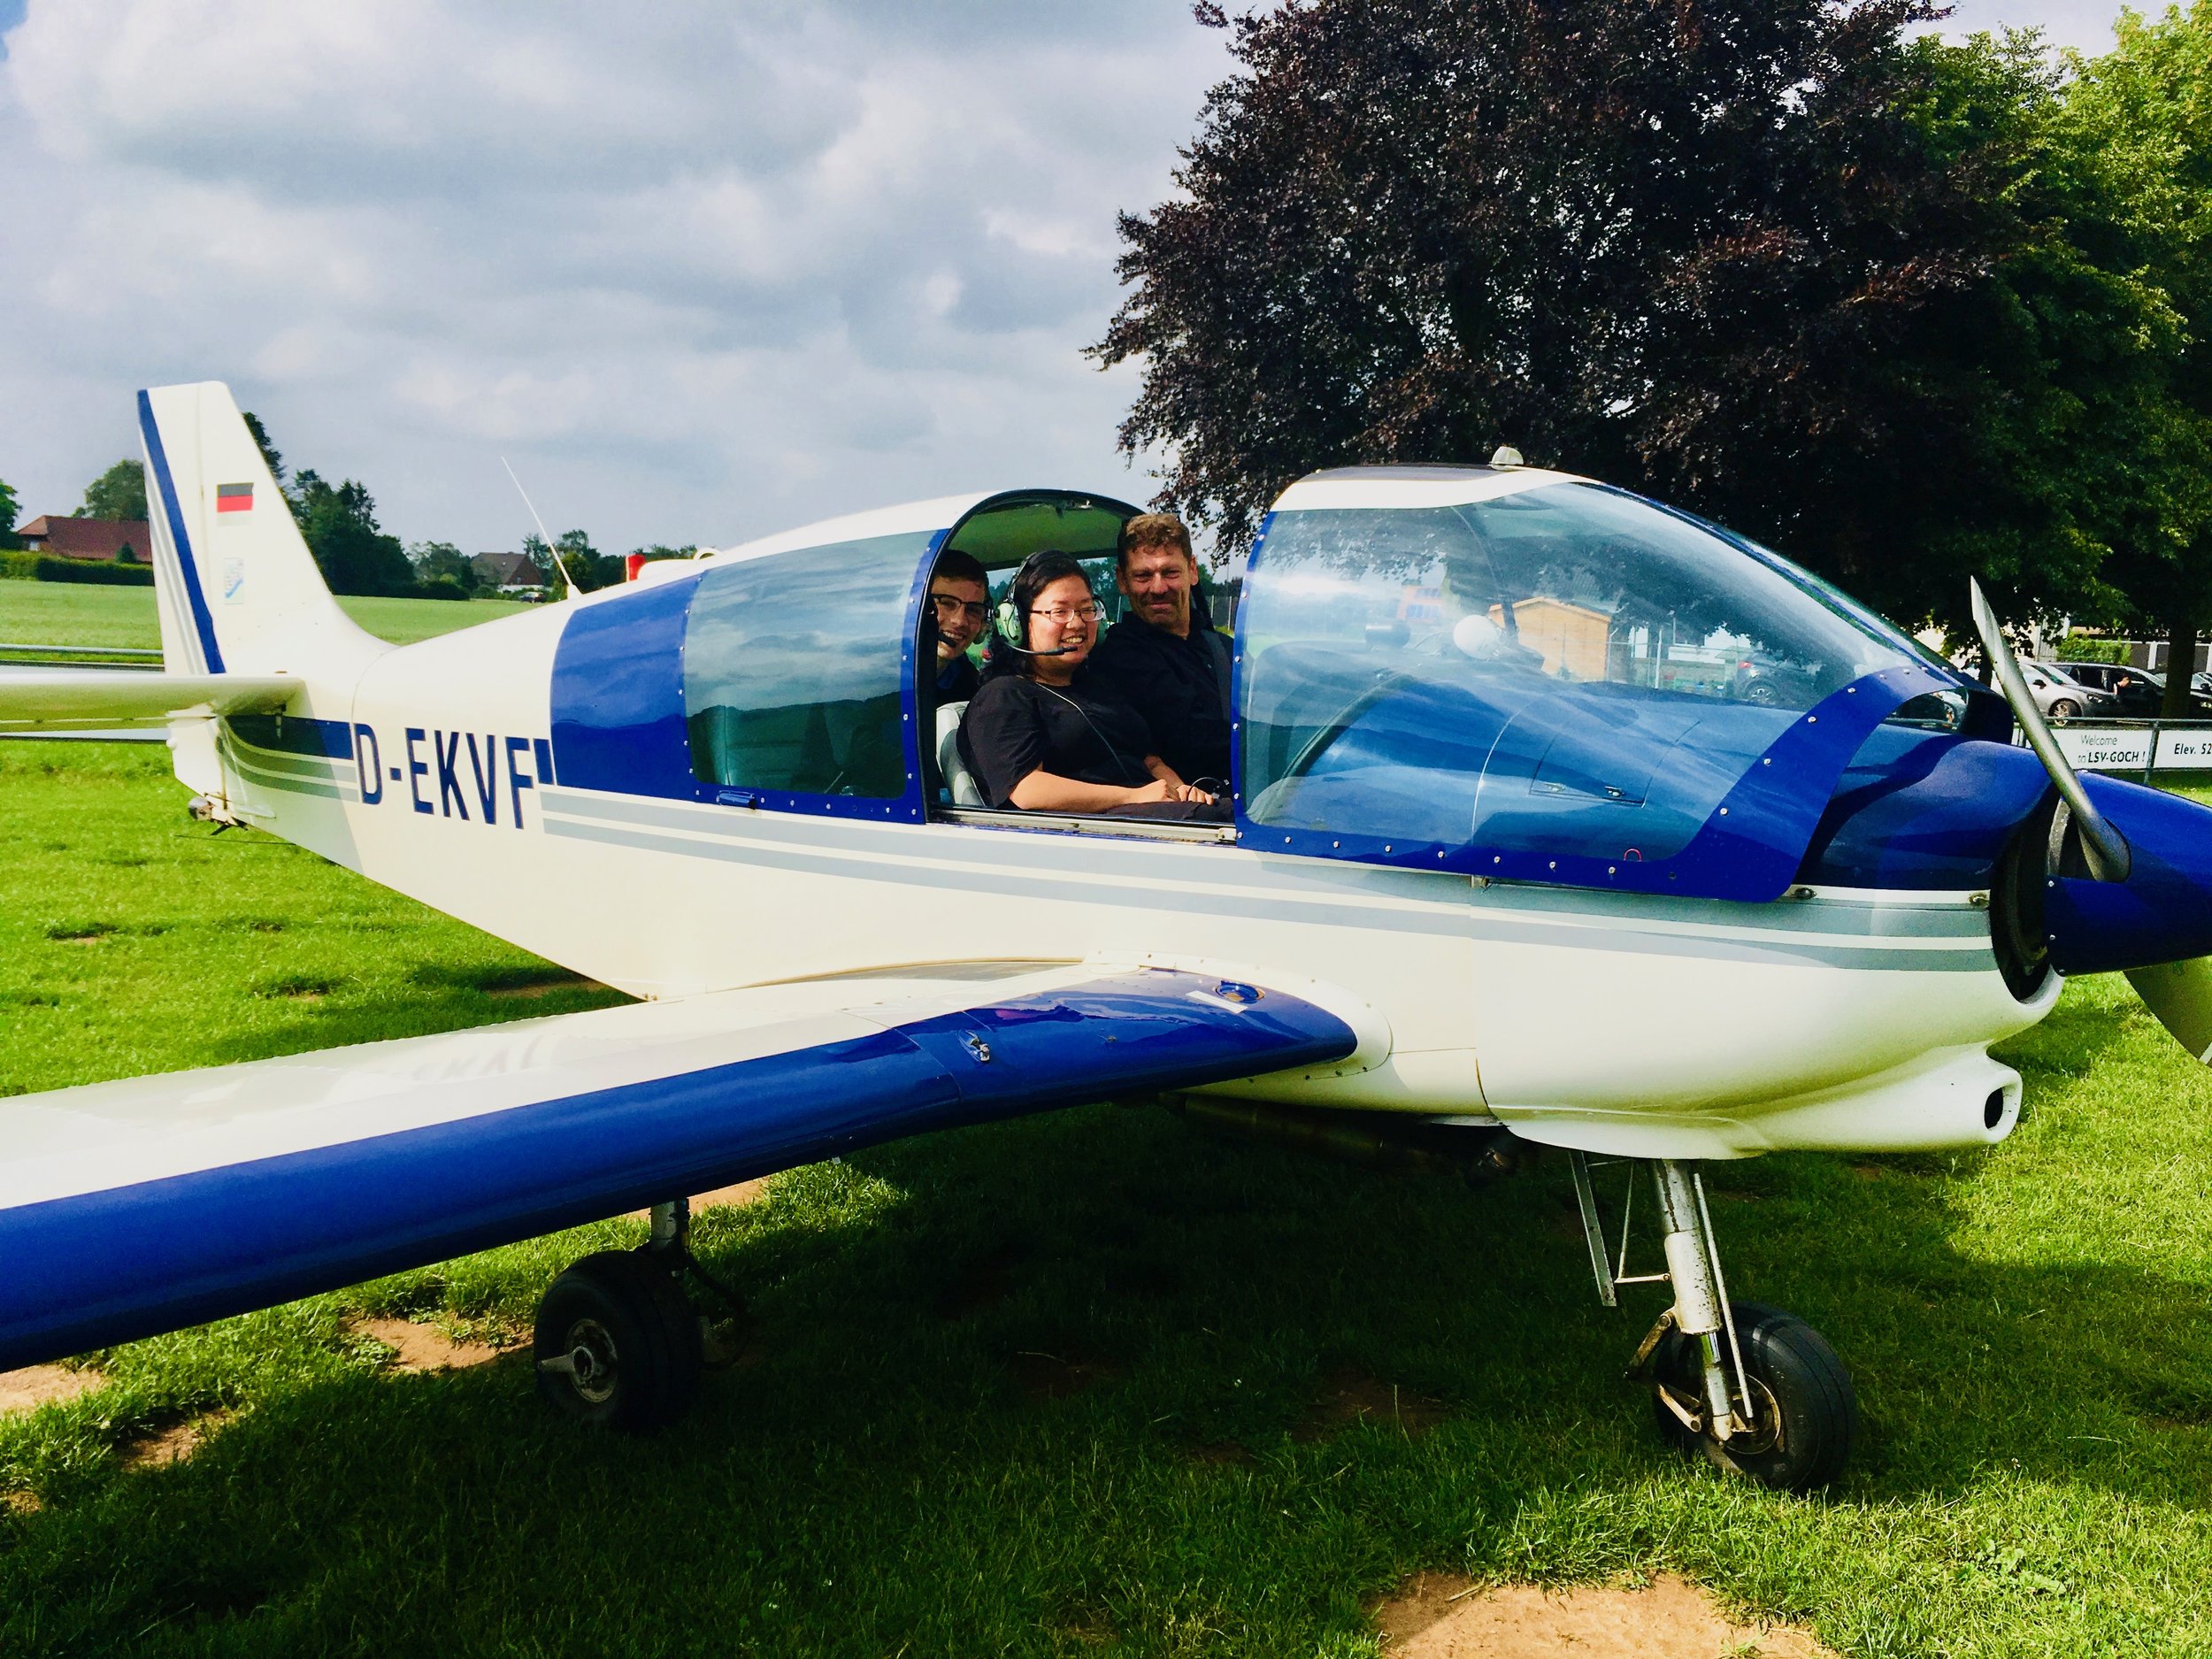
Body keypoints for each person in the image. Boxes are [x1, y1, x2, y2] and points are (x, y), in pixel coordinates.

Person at [958, 549, 1223, 818]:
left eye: (1086, 610)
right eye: (1060, 612)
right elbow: (1027, 789)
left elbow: (1150, 760)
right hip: (1098, 833)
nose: (1077, 623)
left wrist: (1181, 789)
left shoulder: (1101, 688)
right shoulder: (1003, 696)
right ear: (1016, 623)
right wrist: (1134, 796)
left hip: (1156, 815)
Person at [1085, 512, 1233, 790]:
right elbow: (1191, 736)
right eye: (1143, 575)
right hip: (1191, 817)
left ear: (1192, 570)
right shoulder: (1118, 657)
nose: (1158, 588)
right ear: (1122, 580)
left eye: (1170, 572)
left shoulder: (1223, 649)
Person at [927, 548, 989, 703]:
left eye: (973, 610)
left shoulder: (977, 693)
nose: (960, 621)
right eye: (947, 603)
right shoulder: (877, 682)